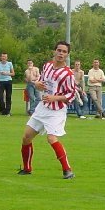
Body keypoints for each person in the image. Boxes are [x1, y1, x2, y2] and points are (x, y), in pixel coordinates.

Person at [18, 41, 77, 179]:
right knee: (26, 137)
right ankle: (27, 168)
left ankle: (67, 170)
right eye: (59, 50)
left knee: (51, 138)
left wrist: (55, 98)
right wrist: (37, 83)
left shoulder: (68, 74)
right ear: (54, 51)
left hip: (56, 111)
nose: (61, 53)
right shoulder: (48, 66)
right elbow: (42, 82)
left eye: (64, 51)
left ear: (67, 55)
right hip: (42, 107)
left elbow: (72, 94)